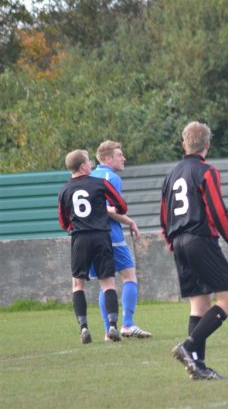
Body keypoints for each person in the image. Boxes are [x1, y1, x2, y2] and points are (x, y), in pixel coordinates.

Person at [160, 121, 228, 381]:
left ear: (183, 144)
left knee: (199, 304)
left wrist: (171, 242)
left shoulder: (171, 174)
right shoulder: (206, 171)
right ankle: (188, 347)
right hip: (200, 239)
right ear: (207, 145)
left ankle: (197, 366)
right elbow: (217, 211)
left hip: (178, 242)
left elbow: (163, 214)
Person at [58, 149, 128, 344]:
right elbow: (122, 206)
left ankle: (84, 328)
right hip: (101, 236)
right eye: (88, 162)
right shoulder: (99, 183)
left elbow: (63, 222)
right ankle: (113, 326)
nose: (91, 165)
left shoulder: (64, 190)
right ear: (83, 166)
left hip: (79, 238)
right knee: (108, 282)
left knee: (77, 284)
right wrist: (111, 210)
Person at [89, 141, 152, 340]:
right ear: (108, 159)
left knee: (105, 284)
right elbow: (108, 209)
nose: (123, 158)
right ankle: (127, 324)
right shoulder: (111, 177)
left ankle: (109, 330)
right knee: (129, 277)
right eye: (119, 155)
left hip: (91, 238)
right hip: (111, 235)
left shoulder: (89, 176)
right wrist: (129, 220)